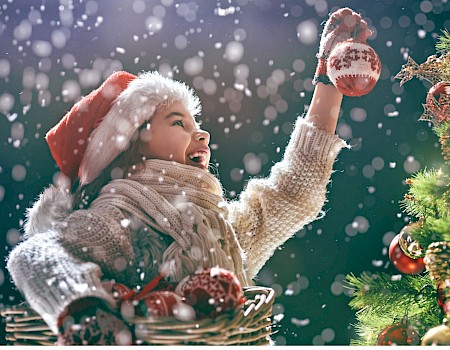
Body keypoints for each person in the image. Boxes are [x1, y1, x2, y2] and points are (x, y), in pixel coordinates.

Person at [6, 7, 372, 345]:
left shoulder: (220, 228)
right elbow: (35, 254)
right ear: (132, 146)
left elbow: (293, 191)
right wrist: (86, 313)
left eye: (198, 124)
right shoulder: (123, 215)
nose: (202, 134)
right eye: (179, 122)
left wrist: (328, 76)